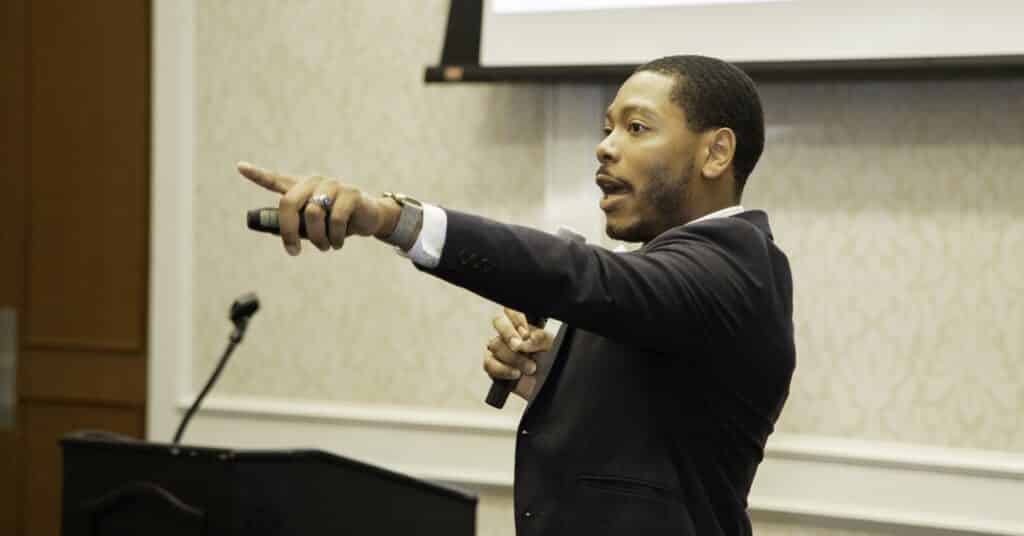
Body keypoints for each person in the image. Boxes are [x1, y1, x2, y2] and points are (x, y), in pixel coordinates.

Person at [238, 55, 794, 536]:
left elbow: (582, 277)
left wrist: (391, 218)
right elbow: (656, 436)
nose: (605, 148)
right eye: (608, 128)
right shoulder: (670, 277)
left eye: (637, 128)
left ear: (716, 153)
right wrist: (553, 380)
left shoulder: (739, 267)